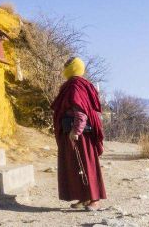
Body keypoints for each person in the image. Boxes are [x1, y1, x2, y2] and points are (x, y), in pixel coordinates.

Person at [52, 56, 106, 210]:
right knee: (75, 165)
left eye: (68, 65)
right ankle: (83, 198)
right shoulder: (75, 84)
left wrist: (76, 131)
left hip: (80, 134)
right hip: (73, 132)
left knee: (86, 164)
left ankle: (94, 199)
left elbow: (81, 112)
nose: (65, 67)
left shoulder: (76, 85)